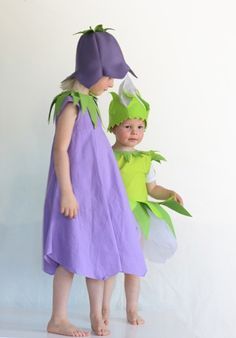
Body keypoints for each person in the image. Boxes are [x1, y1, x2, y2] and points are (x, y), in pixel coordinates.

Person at [43, 25, 147, 337]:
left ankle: (94, 314)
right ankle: (57, 318)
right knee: (68, 253)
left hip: (92, 197)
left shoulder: (90, 106)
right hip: (75, 195)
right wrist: (67, 193)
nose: (112, 83)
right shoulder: (72, 104)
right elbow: (60, 150)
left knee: (88, 251)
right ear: (92, 70)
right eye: (108, 75)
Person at [102, 76, 191, 326]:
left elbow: (152, 189)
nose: (134, 133)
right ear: (113, 127)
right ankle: (104, 308)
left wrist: (169, 193)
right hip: (112, 215)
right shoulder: (107, 157)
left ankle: (131, 309)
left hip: (136, 218)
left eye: (140, 127)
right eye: (128, 126)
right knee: (109, 265)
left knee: (133, 265)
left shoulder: (145, 160)